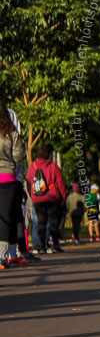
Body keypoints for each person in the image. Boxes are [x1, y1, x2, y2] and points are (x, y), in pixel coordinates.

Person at [27, 145, 68, 254]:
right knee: (53, 223)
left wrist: (32, 195)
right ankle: (55, 245)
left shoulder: (32, 166)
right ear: (47, 155)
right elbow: (60, 182)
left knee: (41, 223)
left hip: (37, 199)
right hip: (52, 198)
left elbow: (29, 181)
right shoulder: (53, 166)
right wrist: (63, 196)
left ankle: (41, 246)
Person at [0, 104, 25, 268]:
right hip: (8, 179)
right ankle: (1, 256)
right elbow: (19, 155)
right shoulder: (11, 133)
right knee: (6, 218)